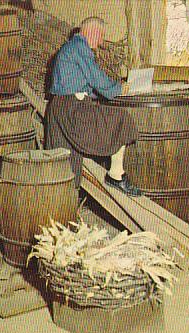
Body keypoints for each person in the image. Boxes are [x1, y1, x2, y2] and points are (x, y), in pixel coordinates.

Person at [45, 16, 142, 197]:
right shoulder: (80, 47)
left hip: (58, 108)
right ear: (93, 32)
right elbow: (96, 78)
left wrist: (108, 91)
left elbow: (85, 86)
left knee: (65, 167)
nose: (102, 40)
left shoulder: (71, 48)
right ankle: (116, 174)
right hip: (71, 108)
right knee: (121, 118)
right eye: (101, 35)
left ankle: (64, 209)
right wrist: (119, 88)